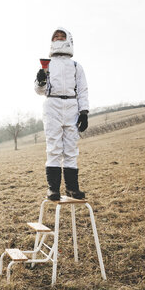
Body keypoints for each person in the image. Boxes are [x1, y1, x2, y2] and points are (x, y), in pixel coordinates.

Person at [34, 27, 89, 201]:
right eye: (55, 36)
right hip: (53, 105)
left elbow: (82, 90)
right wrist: (40, 81)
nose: (58, 38)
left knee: (71, 148)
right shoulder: (47, 64)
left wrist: (84, 112)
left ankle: (72, 188)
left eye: (61, 36)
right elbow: (39, 90)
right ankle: (53, 189)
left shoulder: (76, 66)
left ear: (68, 40)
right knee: (54, 147)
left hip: (72, 105)